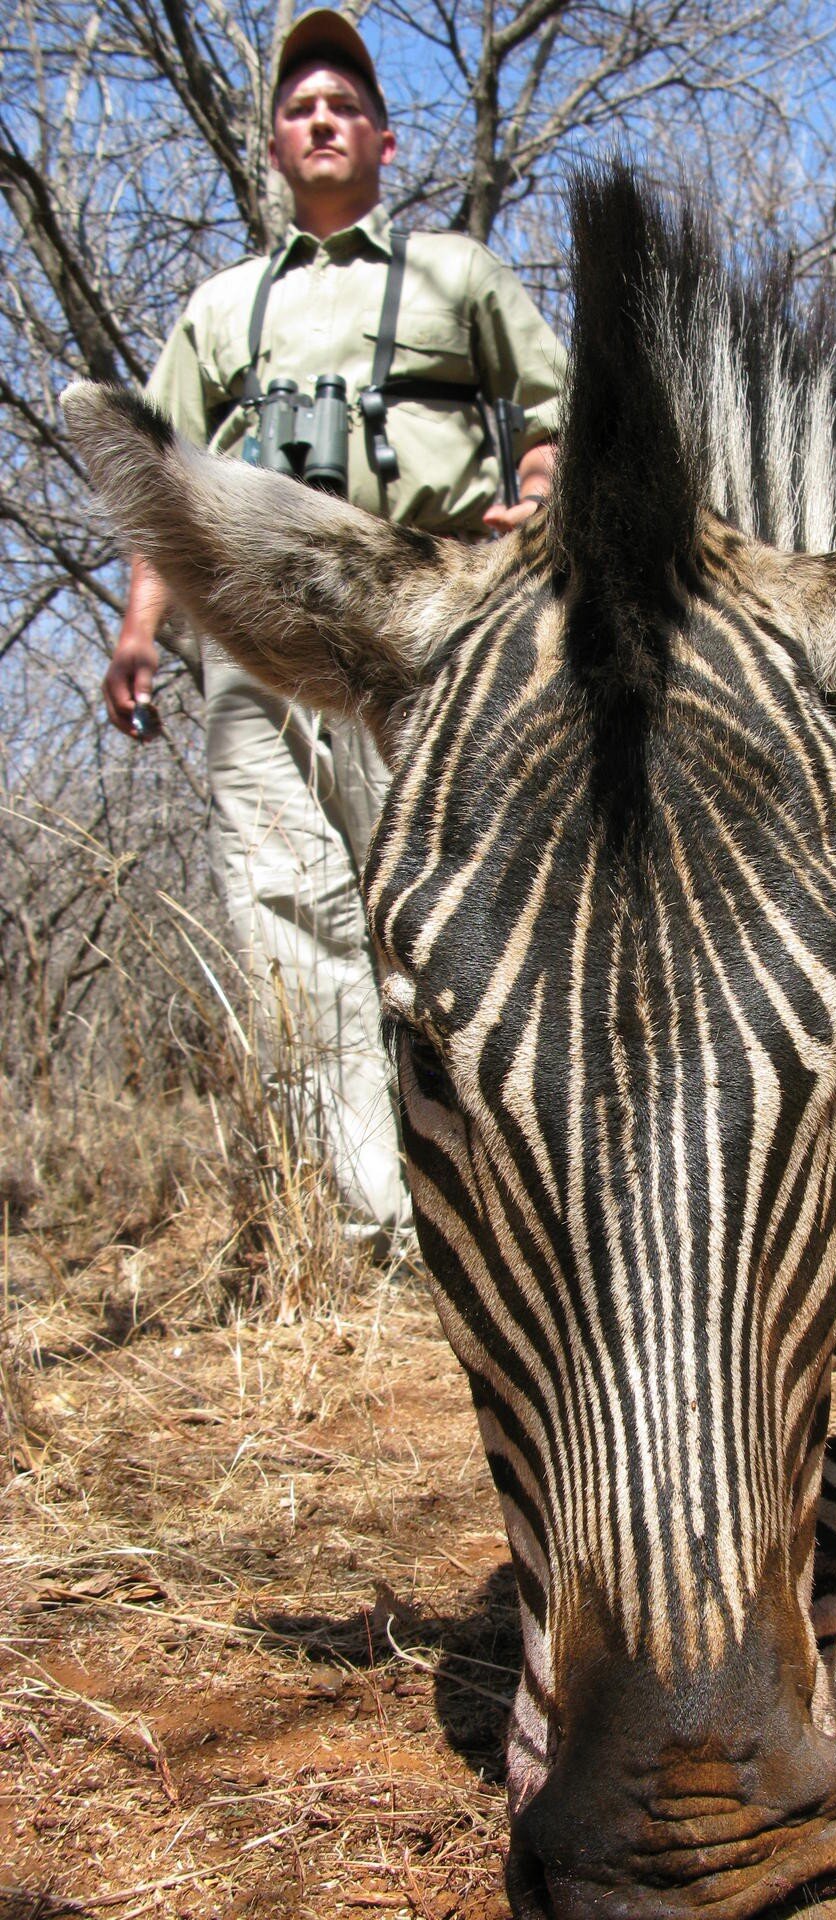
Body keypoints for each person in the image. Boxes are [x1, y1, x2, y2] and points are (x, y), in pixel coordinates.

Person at [102, 10, 565, 1247]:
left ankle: (502, 1203)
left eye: (343, 106)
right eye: (299, 108)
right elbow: (162, 483)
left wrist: (538, 491)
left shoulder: (455, 274)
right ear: (273, 146)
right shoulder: (218, 308)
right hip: (256, 632)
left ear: (384, 138)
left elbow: (555, 408)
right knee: (288, 912)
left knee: (454, 907)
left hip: (427, 622)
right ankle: (375, 1224)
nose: (321, 121)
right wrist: (143, 629)